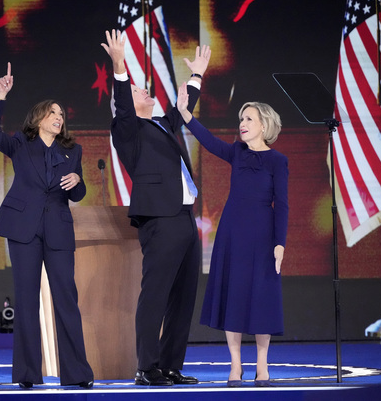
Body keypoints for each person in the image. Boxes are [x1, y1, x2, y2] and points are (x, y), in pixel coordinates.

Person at [101, 29, 210, 386]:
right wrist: (120, 66)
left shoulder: (162, 125)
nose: (144, 90)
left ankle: (170, 365)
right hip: (160, 220)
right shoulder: (127, 130)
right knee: (156, 294)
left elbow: (182, 109)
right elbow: (122, 101)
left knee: (183, 297)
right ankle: (146, 368)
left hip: (185, 217)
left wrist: (196, 75)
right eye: (137, 91)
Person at [0, 62, 94, 389]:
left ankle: (77, 374)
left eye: (61, 114)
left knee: (66, 299)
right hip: (23, 230)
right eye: (52, 113)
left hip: (58, 229)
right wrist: (0, 96)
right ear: (38, 118)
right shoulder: (20, 143)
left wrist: (77, 182)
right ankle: (27, 374)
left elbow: (78, 193)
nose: (59, 118)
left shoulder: (73, 151)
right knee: (27, 300)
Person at [177, 90, 288, 387]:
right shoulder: (237, 152)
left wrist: (280, 243)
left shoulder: (278, 161)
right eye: (241, 118)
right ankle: (236, 365)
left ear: (263, 125)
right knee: (234, 295)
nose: (242, 123)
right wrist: (185, 114)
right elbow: (209, 140)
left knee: (262, 297)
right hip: (232, 233)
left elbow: (282, 204)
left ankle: (262, 365)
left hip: (263, 235)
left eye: (248, 118)